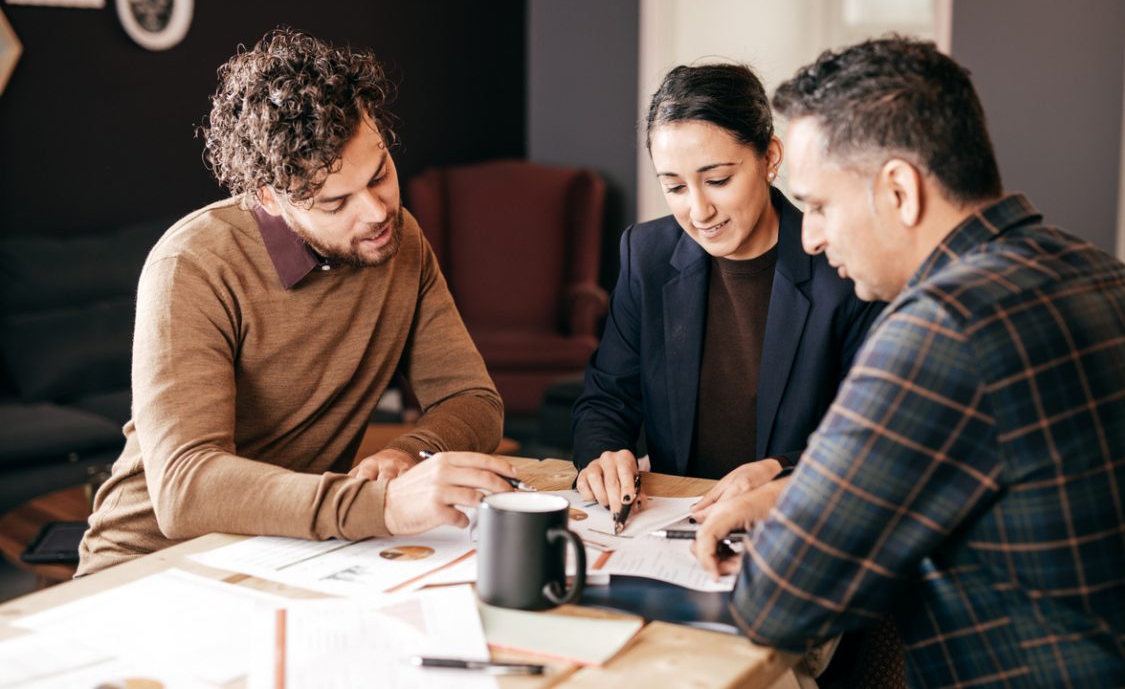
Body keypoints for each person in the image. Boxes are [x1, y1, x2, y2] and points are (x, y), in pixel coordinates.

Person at [696, 37, 1125, 686]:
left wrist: (795, 514)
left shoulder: (942, 326)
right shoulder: (1105, 275)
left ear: (900, 190)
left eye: (818, 206)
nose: (812, 237)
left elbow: (779, 604)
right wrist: (794, 494)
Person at [78, 28, 518, 575]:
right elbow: (186, 488)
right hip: (152, 566)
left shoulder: (400, 242)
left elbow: (474, 399)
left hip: (293, 553)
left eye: (380, 174)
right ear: (269, 196)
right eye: (336, 203)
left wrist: (411, 452)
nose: (377, 212)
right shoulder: (192, 264)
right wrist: (380, 506)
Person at [571, 64, 882, 522]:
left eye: (717, 180)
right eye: (674, 186)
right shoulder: (647, 253)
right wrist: (604, 454)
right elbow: (607, 397)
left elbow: (873, 436)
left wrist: (781, 471)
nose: (698, 210)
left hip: (799, 521)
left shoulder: (844, 267)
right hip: (674, 522)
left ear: (769, 158)